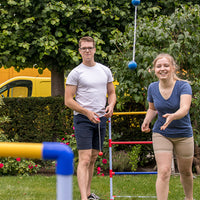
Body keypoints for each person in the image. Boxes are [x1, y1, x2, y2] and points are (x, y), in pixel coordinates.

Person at [65, 36, 116, 200]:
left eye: (90, 47)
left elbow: (112, 93)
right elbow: (68, 100)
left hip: (100, 118)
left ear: (95, 49)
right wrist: (86, 112)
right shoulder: (76, 73)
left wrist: (111, 105)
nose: (87, 50)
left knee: (93, 157)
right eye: (84, 48)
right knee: (85, 159)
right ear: (80, 51)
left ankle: (88, 193)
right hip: (83, 119)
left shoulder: (104, 70)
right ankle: (83, 198)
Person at [141, 53, 194, 200]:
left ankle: (189, 198)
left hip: (183, 133)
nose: (162, 69)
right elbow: (152, 109)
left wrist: (172, 116)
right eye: (159, 66)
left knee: (186, 171)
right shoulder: (152, 88)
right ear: (154, 70)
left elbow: (184, 108)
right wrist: (147, 120)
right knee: (164, 171)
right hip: (161, 132)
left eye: (166, 65)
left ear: (173, 68)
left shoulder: (183, 86)